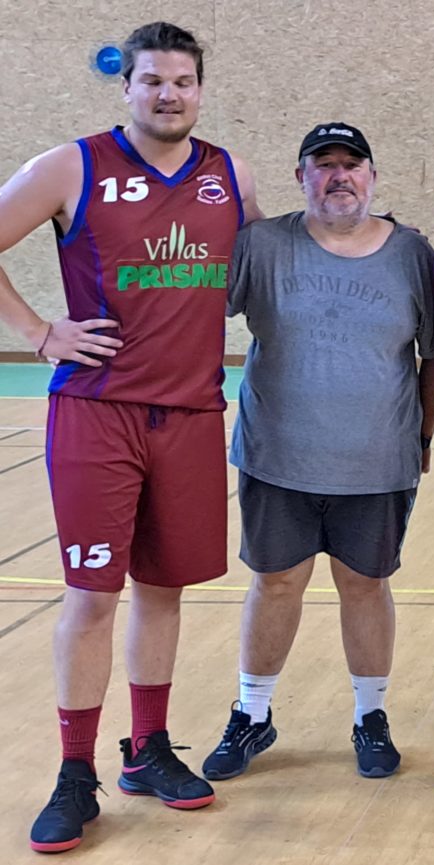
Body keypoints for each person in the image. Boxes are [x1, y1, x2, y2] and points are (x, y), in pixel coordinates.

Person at [0, 22, 260, 852]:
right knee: (92, 595)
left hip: (192, 413)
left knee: (164, 588)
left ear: (201, 89)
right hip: (97, 411)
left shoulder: (229, 175)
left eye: (182, 81)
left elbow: (270, 269)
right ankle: (75, 770)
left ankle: (148, 749)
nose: (168, 94)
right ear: (127, 87)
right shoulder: (71, 167)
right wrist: (40, 332)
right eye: (152, 80)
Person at [201, 123, 434, 783]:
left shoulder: (412, 254)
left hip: (377, 460)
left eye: (352, 164)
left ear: (372, 176)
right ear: (301, 177)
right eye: (324, 164)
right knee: (276, 582)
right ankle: (253, 713)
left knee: (365, 585)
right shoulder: (261, 245)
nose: (340, 176)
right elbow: (193, 307)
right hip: (277, 457)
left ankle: (370, 716)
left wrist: (423, 436)